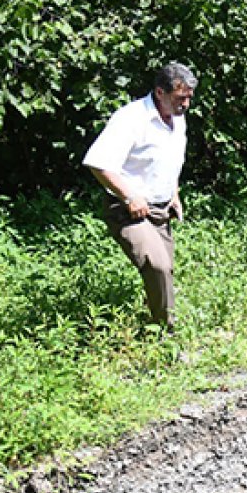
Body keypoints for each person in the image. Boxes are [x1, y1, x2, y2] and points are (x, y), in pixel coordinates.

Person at [84, 62, 196, 328]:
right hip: (128, 210)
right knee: (157, 266)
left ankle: (155, 327)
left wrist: (175, 193)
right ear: (160, 92)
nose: (186, 104)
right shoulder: (131, 119)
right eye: (181, 98)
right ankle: (168, 337)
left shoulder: (177, 120)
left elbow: (170, 159)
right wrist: (129, 196)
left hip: (160, 209)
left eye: (189, 98)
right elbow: (98, 162)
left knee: (165, 270)